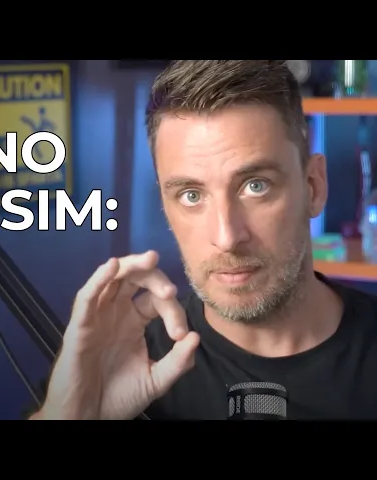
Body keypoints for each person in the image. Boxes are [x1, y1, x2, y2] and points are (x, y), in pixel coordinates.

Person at [29, 60, 377, 420]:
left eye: (256, 186)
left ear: (313, 187)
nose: (227, 238)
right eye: (191, 195)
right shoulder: (123, 364)